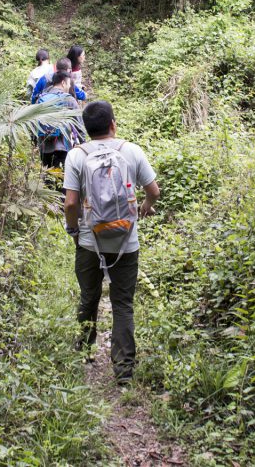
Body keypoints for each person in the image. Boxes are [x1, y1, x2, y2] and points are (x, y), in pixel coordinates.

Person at [64, 100, 160, 385]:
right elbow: (153, 190)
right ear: (113, 125)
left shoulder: (76, 156)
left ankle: (84, 352)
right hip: (125, 242)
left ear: (86, 129)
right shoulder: (131, 151)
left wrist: (73, 230)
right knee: (122, 304)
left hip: (89, 240)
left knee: (89, 296)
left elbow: (71, 203)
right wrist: (144, 207)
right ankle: (124, 370)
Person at [36, 71, 80, 169]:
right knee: (62, 178)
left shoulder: (41, 99)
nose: (69, 87)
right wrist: (82, 142)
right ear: (63, 83)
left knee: (48, 178)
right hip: (63, 147)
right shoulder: (69, 99)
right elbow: (79, 124)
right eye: (68, 83)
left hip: (44, 147)